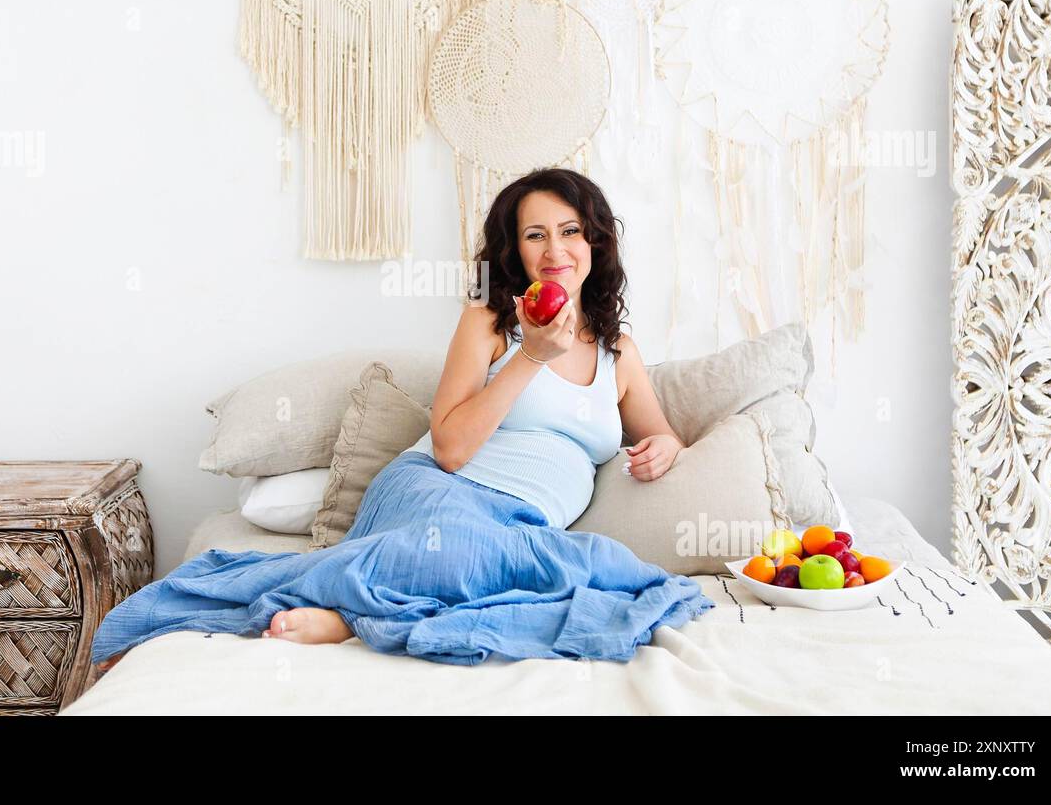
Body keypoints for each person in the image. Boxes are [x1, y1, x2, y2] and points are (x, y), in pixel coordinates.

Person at [91, 167, 714, 671]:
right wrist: (531, 356)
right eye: (534, 235)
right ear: (513, 252)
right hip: (436, 492)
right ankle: (351, 610)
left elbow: (663, 434)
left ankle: (351, 614)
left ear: (594, 242)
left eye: (570, 230)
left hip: (521, 525)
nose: (555, 250)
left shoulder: (618, 353)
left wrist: (662, 447)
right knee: (464, 554)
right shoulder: (489, 326)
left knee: (589, 566)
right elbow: (450, 449)